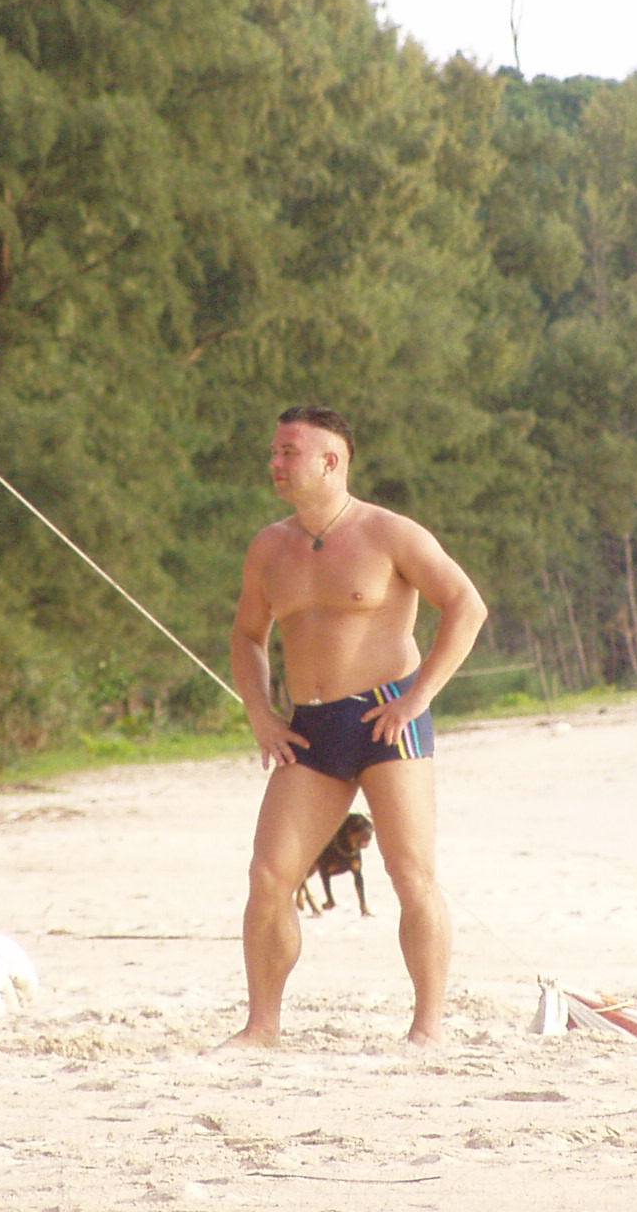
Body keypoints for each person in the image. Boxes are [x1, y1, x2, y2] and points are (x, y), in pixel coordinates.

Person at [223, 405, 488, 1048]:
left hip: (386, 717)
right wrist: (262, 714)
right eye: (275, 451)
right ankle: (262, 1027)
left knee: (410, 873)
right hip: (311, 728)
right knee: (269, 877)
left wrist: (419, 696)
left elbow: (466, 605)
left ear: (331, 461)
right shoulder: (271, 546)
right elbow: (248, 636)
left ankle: (427, 1029)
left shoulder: (391, 534)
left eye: (289, 452)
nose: (276, 464)